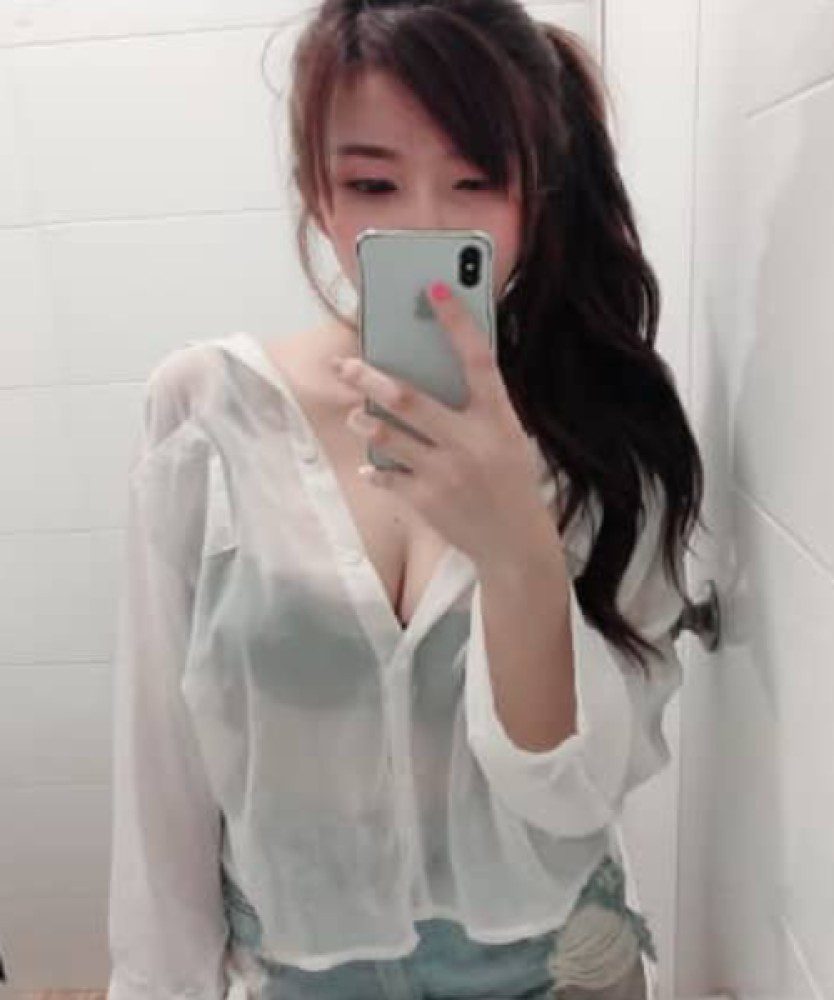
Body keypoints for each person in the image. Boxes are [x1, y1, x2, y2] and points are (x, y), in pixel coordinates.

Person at [106, 2, 706, 998]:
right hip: (300, 968)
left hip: (555, 962)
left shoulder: (607, 434)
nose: (426, 226)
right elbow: (161, 767)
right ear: (318, 194)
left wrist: (515, 544)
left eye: (477, 180)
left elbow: (572, 798)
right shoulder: (206, 414)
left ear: (538, 191)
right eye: (373, 183)